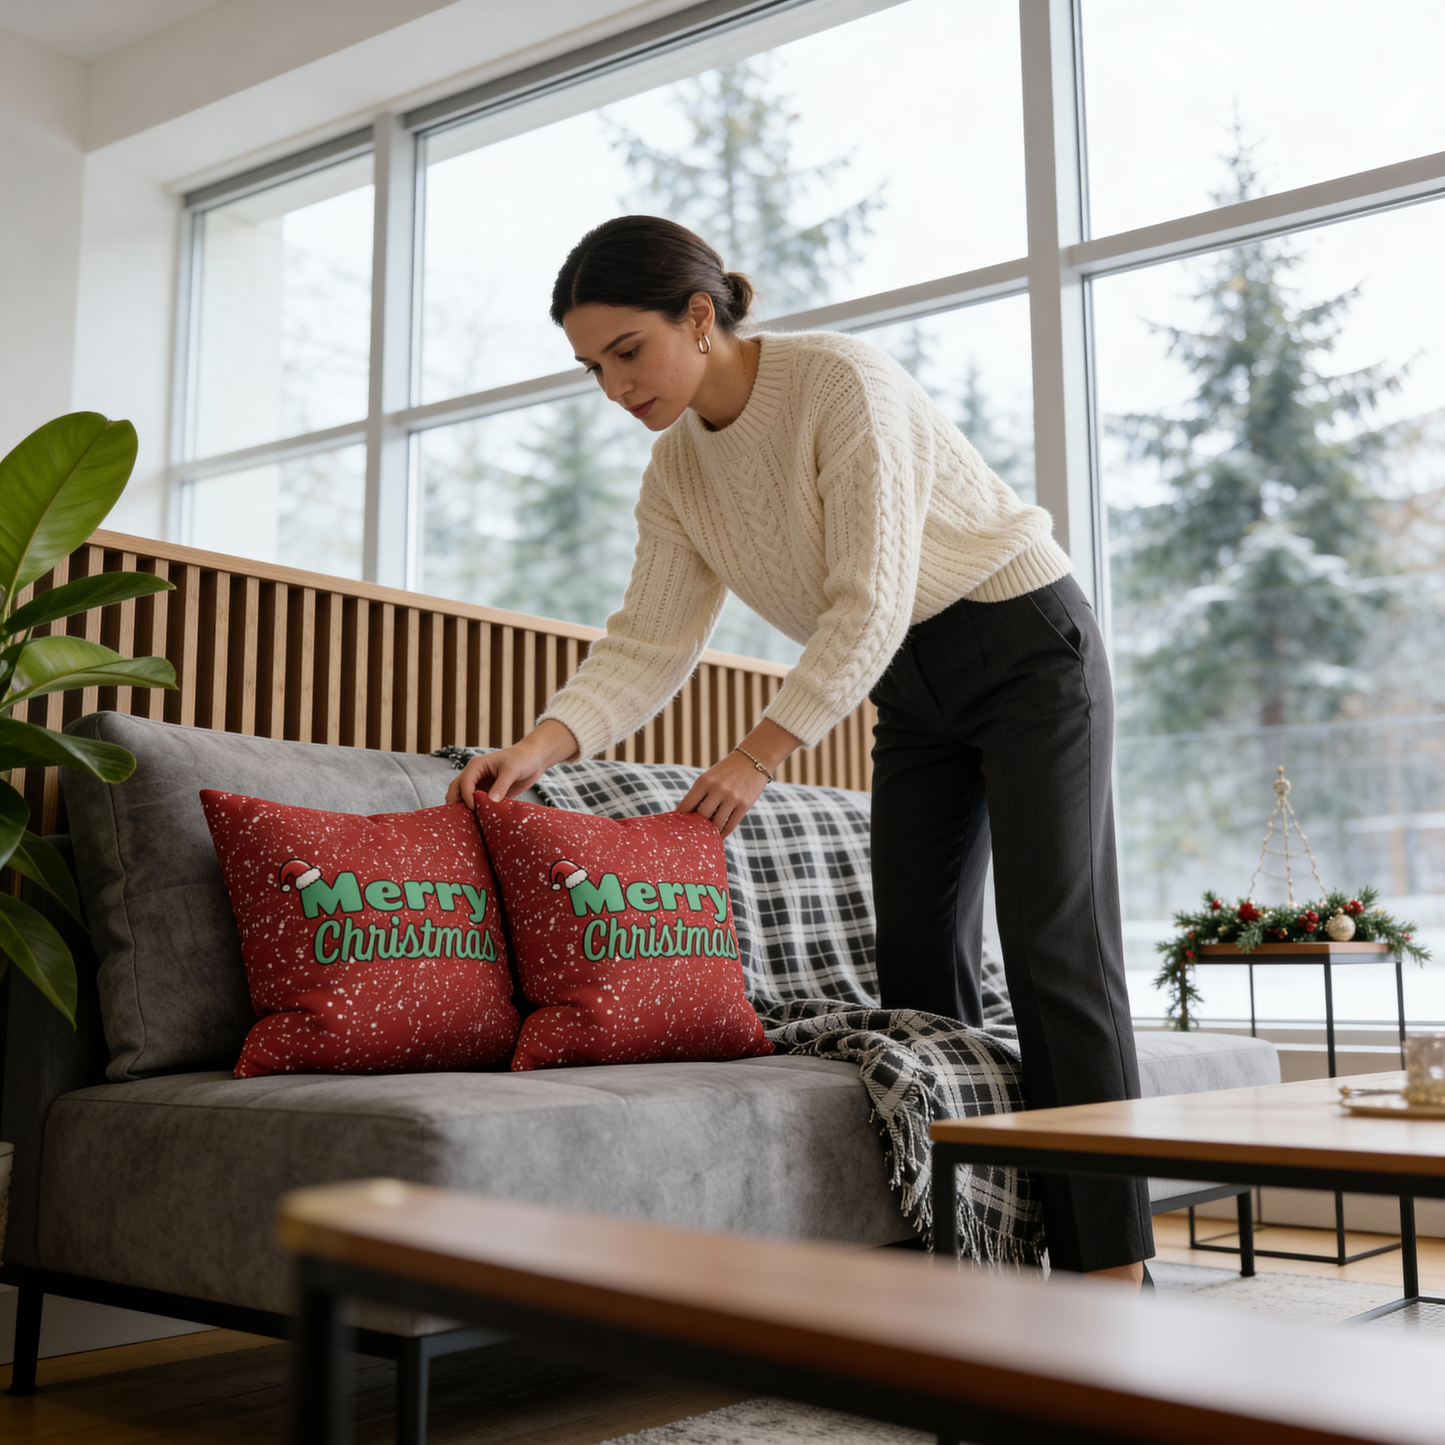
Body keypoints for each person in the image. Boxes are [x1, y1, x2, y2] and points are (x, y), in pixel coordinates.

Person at [446, 215, 1152, 1286]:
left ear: (699, 316)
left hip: (1023, 647)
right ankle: (982, 1249)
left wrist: (758, 753)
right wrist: (536, 746)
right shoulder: (675, 473)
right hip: (905, 680)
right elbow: (649, 640)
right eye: (592, 367)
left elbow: (869, 594)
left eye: (628, 351)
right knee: (916, 962)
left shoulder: (840, 383)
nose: (613, 386)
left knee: (1054, 947)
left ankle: (1108, 1275)